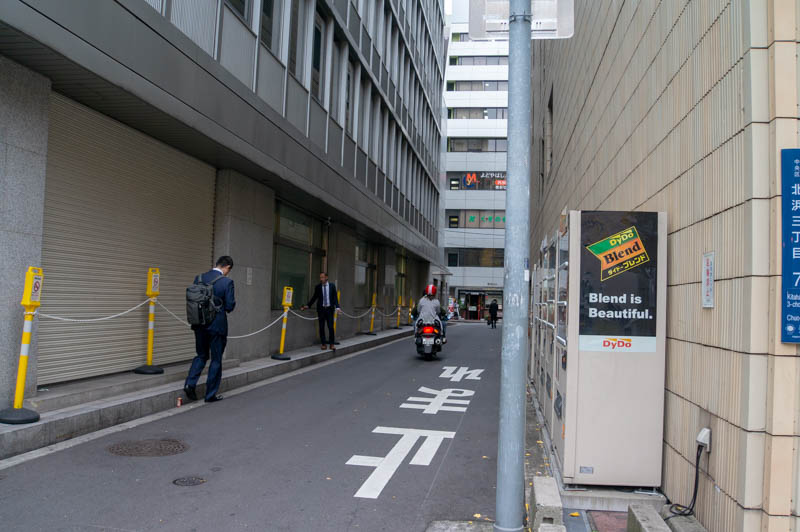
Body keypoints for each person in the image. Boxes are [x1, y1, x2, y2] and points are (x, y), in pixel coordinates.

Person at [184, 256, 236, 403]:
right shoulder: (227, 282)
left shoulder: (199, 278)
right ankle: (210, 394)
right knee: (216, 359)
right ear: (227, 267)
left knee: (201, 355)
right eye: (228, 270)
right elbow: (230, 306)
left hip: (199, 323)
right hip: (217, 326)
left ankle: (189, 384)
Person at [301, 272, 340, 350]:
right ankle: (323, 344)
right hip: (321, 310)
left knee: (331, 327)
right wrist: (308, 305)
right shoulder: (318, 287)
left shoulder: (332, 286)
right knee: (321, 327)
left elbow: (335, 297)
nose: (321, 279)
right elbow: (314, 297)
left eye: (322, 277)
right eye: (320, 277)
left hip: (329, 310)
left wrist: (337, 307)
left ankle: (332, 344)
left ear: (326, 277)